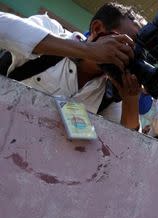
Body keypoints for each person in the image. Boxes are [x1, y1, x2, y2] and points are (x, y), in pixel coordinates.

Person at [0, 3, 145, 130]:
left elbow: (126, 145)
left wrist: (130, 100)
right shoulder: (52, 30)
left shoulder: (109, 94)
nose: (128, 55)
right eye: (124, 43)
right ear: (98, 28)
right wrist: (88, 50)